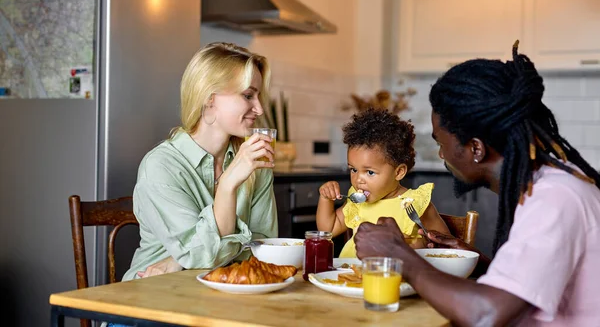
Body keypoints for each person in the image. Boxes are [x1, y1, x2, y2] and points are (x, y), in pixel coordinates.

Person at [354, 41, 600, 326]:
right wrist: (479, 260)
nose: (442, 154)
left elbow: (487, 314)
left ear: (476, 148)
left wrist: (398, 254)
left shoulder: (556, 198)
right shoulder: (551, 186)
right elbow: (530, 284)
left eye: (442, 143)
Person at [122, 42, 278, 282]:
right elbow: (201, 257)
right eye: (248, 95)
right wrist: (227, 185)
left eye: (258, 96)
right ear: (209, 98)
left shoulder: (253, 162)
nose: (259, 108)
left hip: (223, 296)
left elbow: (263, 249)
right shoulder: (161, 167)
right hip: (152, 298)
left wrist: (179, 261)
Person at [316, 108, 450, 257]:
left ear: (398, 172)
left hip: (394, 277)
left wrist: (419, 244)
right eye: (353, 170)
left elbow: (445, 246)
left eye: (370, 172)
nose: (358, 179)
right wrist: (325, 198)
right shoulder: (357, 201)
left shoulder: (415, 203)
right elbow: (328, 229)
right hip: (350, 274)